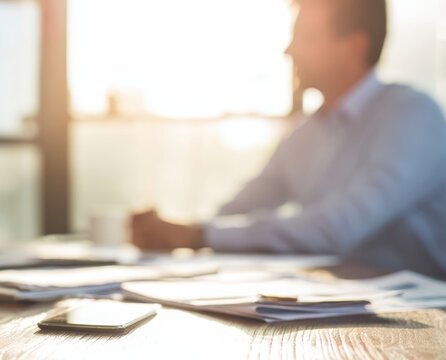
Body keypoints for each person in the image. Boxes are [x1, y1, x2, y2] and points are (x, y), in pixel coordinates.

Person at [132, 0, 446, 278]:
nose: (289, 50)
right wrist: (178, 231)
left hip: (422, 320)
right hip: (334, 304)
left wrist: (199, 235)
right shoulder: (307, 133)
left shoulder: (414, 116)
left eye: (306, 36)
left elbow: (339, 228)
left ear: (354, 46)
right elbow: (239, 208)